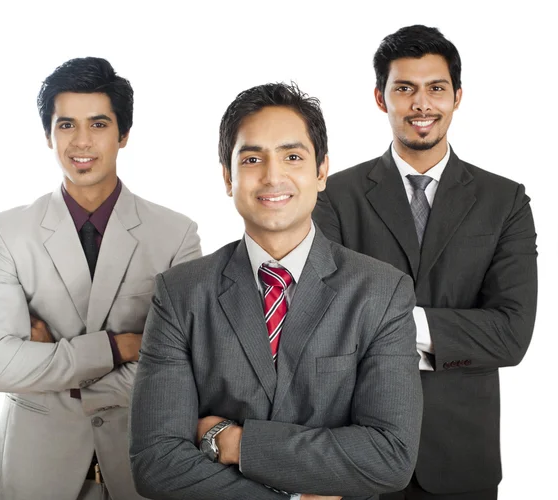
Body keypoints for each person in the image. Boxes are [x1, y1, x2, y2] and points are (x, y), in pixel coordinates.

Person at [129, 82, 423, 500]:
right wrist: (293, 499)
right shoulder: (180, 294)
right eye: (252, 158)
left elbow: (389, 457)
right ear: (228, 178)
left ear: (321, 172)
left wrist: (236, 444)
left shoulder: (381, 291)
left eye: (292, 156)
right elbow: (156, 463)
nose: (272, 176)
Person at [312, 25, 537, 500]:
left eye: (436, 88)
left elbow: (512, 335)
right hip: (358, 451)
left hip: (461, 459)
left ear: (457, 96)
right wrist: (448, 333)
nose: (421, 104)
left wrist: (384, 324)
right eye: (405, 89)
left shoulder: (505, 201)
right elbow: (321, 320)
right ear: (380, 97)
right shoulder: (334, 197)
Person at [0, 57, 202, 500]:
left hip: (140, 466)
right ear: (48, 135)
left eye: (98, 124)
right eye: (66, 125)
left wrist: (50, 367)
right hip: (34, 469)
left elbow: (182, 369)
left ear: (123, 134)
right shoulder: (8, 232)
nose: (82, 141)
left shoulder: (176, 235)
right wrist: (121, 347)